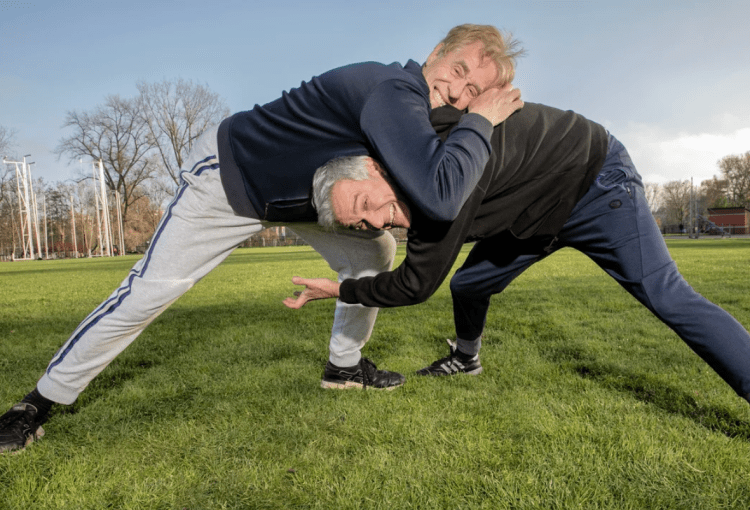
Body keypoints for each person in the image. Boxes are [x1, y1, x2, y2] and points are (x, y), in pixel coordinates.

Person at [0, 24, 525, 454]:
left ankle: (344, 368)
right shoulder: (391, 87)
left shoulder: (423, 111)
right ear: (434, 52)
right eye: (458, 72)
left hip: (307, 201)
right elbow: (440, 191)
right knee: (149, 291)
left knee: (376, 251)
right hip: (229, 184)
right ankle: (35, 404)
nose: (459, 93)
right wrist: (480, 119)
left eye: (474, 91)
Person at [285, 103, 750, 505]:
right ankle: (468, 356)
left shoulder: (434, 166)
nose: (378, 222)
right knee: (469, 285)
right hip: (531, 214)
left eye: (366, 205)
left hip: (592, 181)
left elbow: (413, 285)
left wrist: (340, 288)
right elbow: (421, 277)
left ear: (375, 168)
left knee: (668, 296)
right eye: (363, 226)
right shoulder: (418, 197)